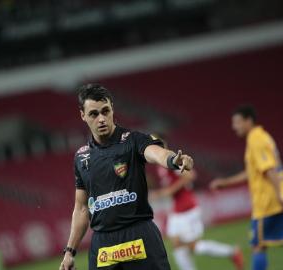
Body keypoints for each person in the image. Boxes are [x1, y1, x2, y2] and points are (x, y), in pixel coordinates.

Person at [59, 84, 194, 270]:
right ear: (83, 115)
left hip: (139, 235)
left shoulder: (133, 140)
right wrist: (69, 251)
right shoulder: (81, 157)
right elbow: (81, 208)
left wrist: (173, 160)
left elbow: (156, 153)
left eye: (105, 111)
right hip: (103, 247)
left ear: (112, 108)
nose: (101, 119)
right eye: (93, 114)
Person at [210, 105, 283, 270]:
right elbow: (253, 172)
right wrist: (226, 182)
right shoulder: (261, 137)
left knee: (258, 245)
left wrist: (280, 196)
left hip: (268, 204)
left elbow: (270, 169)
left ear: (248, 120)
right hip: (276, 201)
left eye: (237, 122)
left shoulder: (256, 139)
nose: (234, 127)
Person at [150, 164, 244, 270]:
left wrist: (169, 191)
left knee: (194, 246)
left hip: (187, 209)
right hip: (176, 211)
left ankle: (231, 252)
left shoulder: (171, 160)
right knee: (176, 245)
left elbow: (190, 175)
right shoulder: (160, 164)